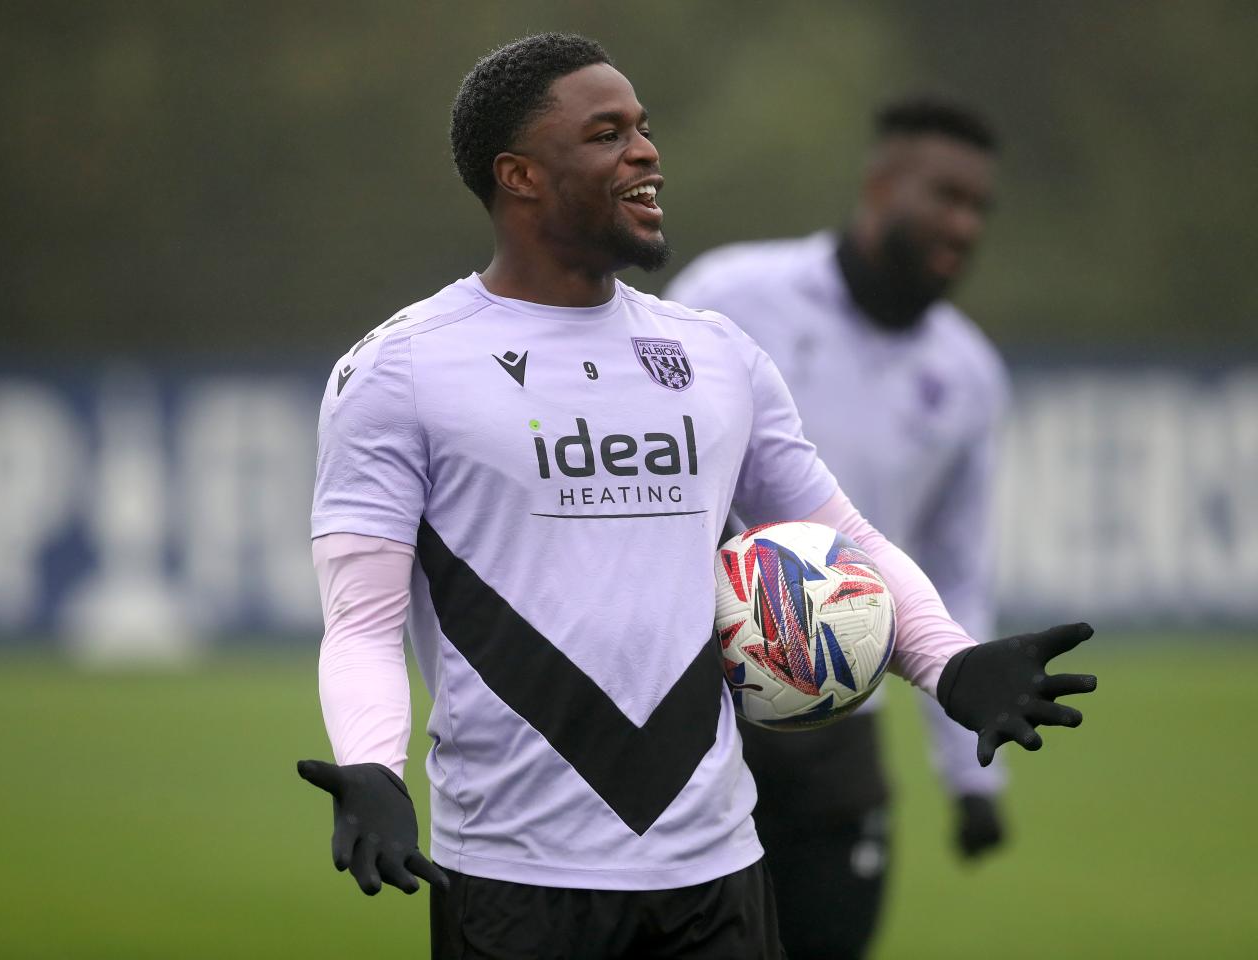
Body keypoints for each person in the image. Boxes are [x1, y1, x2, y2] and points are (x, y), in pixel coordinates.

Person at [297, 34, 1096, 960]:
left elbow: (838, 534)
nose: (646, 152)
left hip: (717, 876)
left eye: (643, 127)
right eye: (607, 134)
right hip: (517, 882)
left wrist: (947, 663)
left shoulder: (715, 354)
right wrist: (372, 768)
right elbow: (360, 622)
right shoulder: (400, 369)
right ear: (518, 175)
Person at [665, 97, 1010, 959]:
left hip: (839, 724)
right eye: (945, 196)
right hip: (698, 713)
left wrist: (972, 775)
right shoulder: (729, 296)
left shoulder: (968, 375)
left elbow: (955, 568)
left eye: (978, 208)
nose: (963, 225)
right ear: (881, 183)